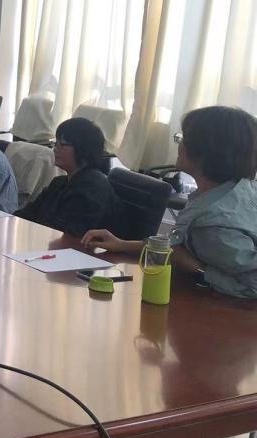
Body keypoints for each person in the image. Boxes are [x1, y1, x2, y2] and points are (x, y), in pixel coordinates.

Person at [84, 106, 257, 298]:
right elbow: (177, 249)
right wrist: (122, 244)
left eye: (184, 139)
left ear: (206, 152)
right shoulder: (237, 191)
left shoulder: (213, 225)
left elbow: (252, 285)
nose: (179, 145)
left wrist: (198, 270)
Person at [15, 117, 122, 236]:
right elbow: (28, 213)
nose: (55, 149)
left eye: (62, 145)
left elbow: (68, 234)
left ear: (83, 149)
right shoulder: (59, 182)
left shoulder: (92, 190)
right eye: (56, 144)